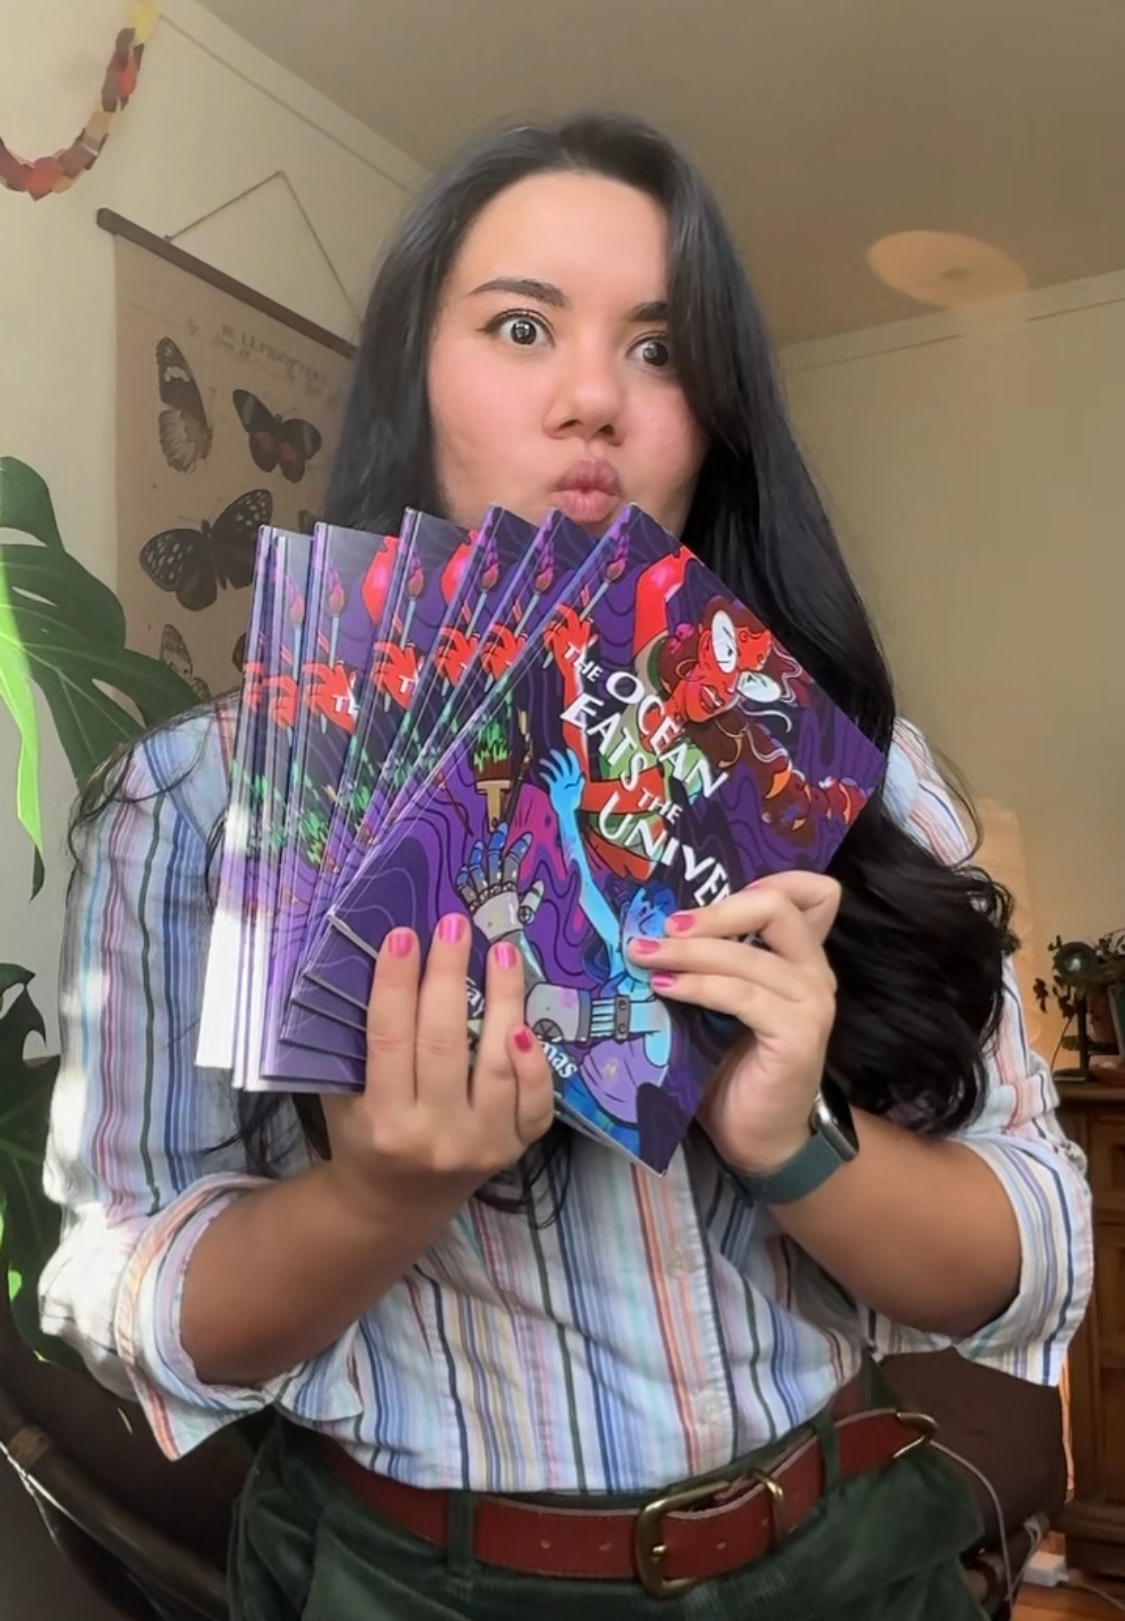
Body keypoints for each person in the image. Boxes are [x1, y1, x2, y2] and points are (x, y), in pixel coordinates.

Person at [40, 114, 1091, 1621]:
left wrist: (794, 1141)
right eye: (522, 326)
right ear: (414, 376)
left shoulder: (851, 774)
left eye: (659, 349)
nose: (595, 397)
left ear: (713, 420)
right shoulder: (200, 803)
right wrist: (380, 1196)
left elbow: (1032, 1244)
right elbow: (123, 1295)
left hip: (848, 1561)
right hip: (421, 1587)